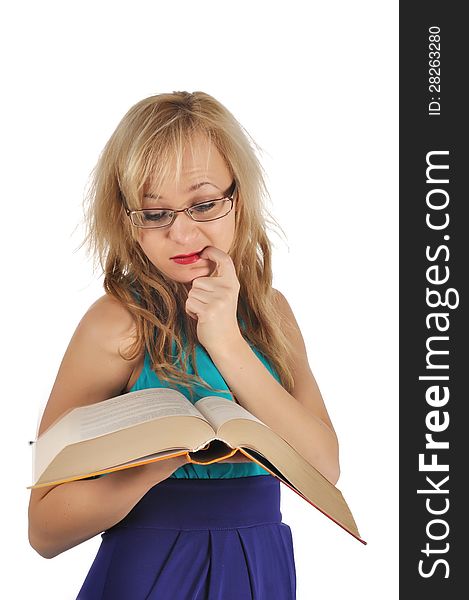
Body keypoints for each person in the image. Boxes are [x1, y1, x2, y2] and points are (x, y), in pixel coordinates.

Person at [28, 91, 340, 599]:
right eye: (155, 213)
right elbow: (43, 529)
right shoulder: (115, 324)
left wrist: (227, 341)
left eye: (203, 203)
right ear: (128, 218)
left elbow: (324, 468)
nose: (183, 232)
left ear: (239, 196)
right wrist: (158, 461)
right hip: (151, 574)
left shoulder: (272, 311)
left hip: (261, 570)